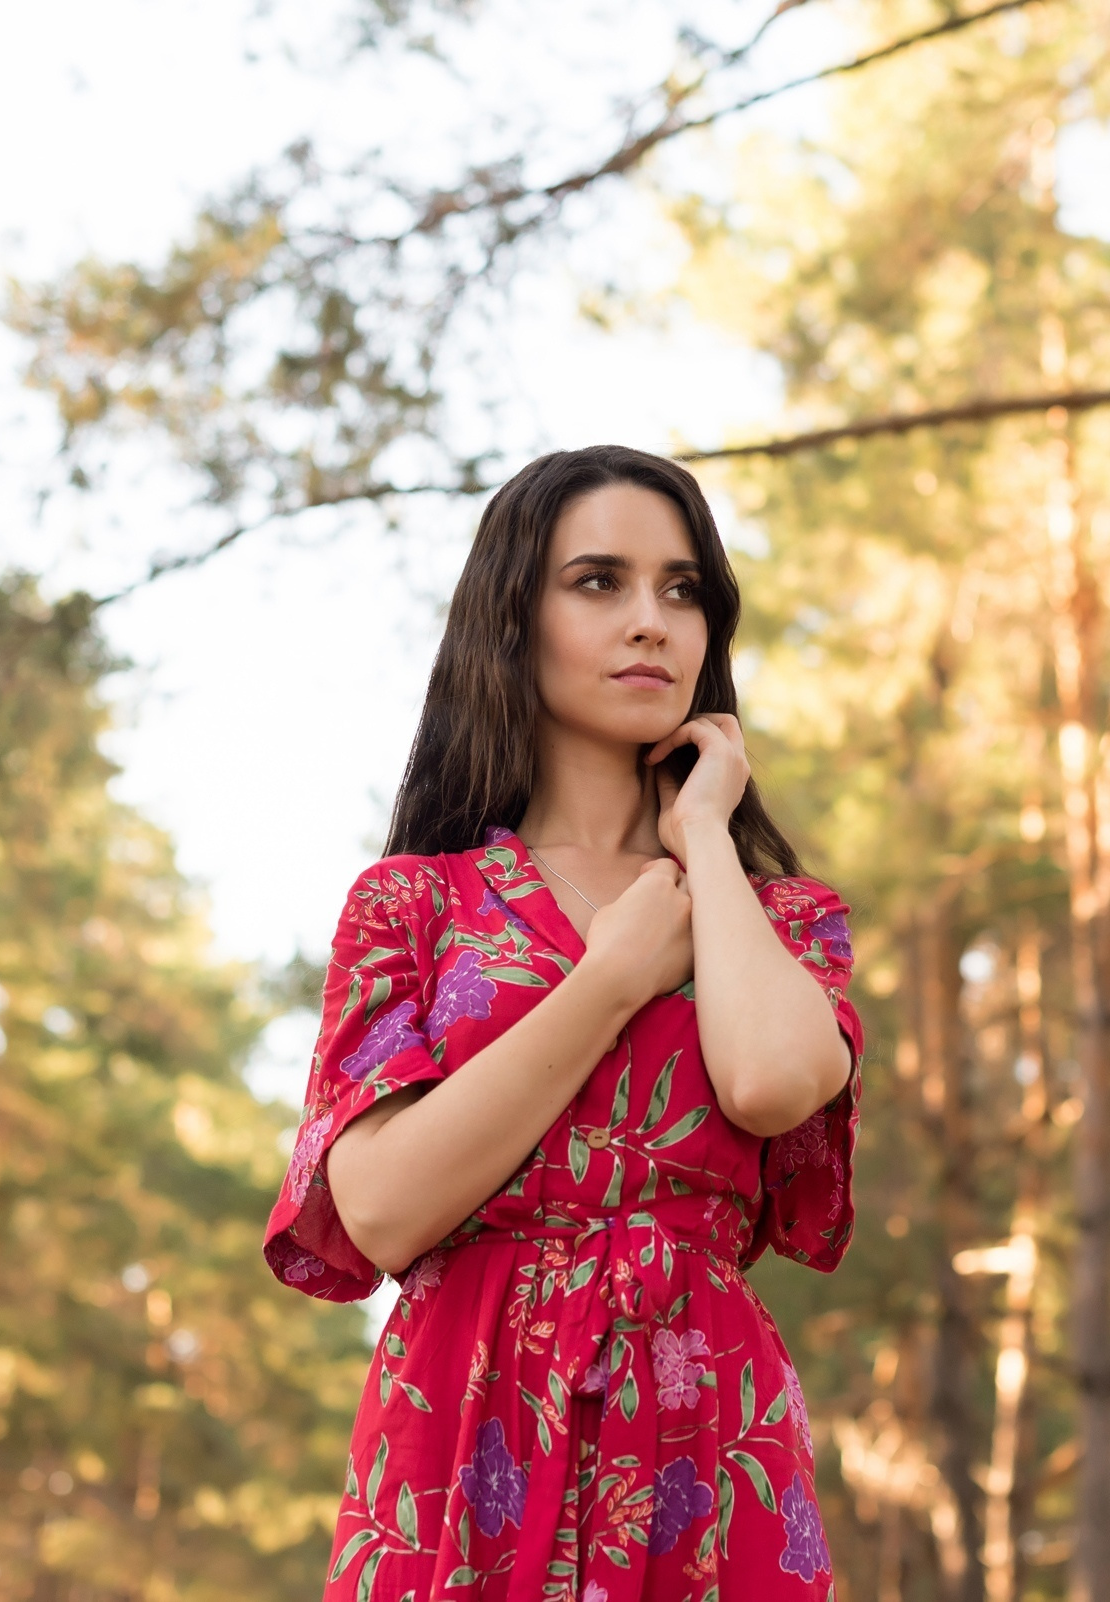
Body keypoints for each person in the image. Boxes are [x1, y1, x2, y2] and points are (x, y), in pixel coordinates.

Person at [265, 445, 863, 1602]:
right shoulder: (413, 906)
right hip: (466, 1423)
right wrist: (608, 981)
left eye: (681, 589)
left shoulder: (778, 917)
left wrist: (705, 843)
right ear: (512, 618)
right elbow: (383, 1209)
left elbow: (777, 1083)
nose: (651, 622)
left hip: (705, 1429)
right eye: (600, 582)